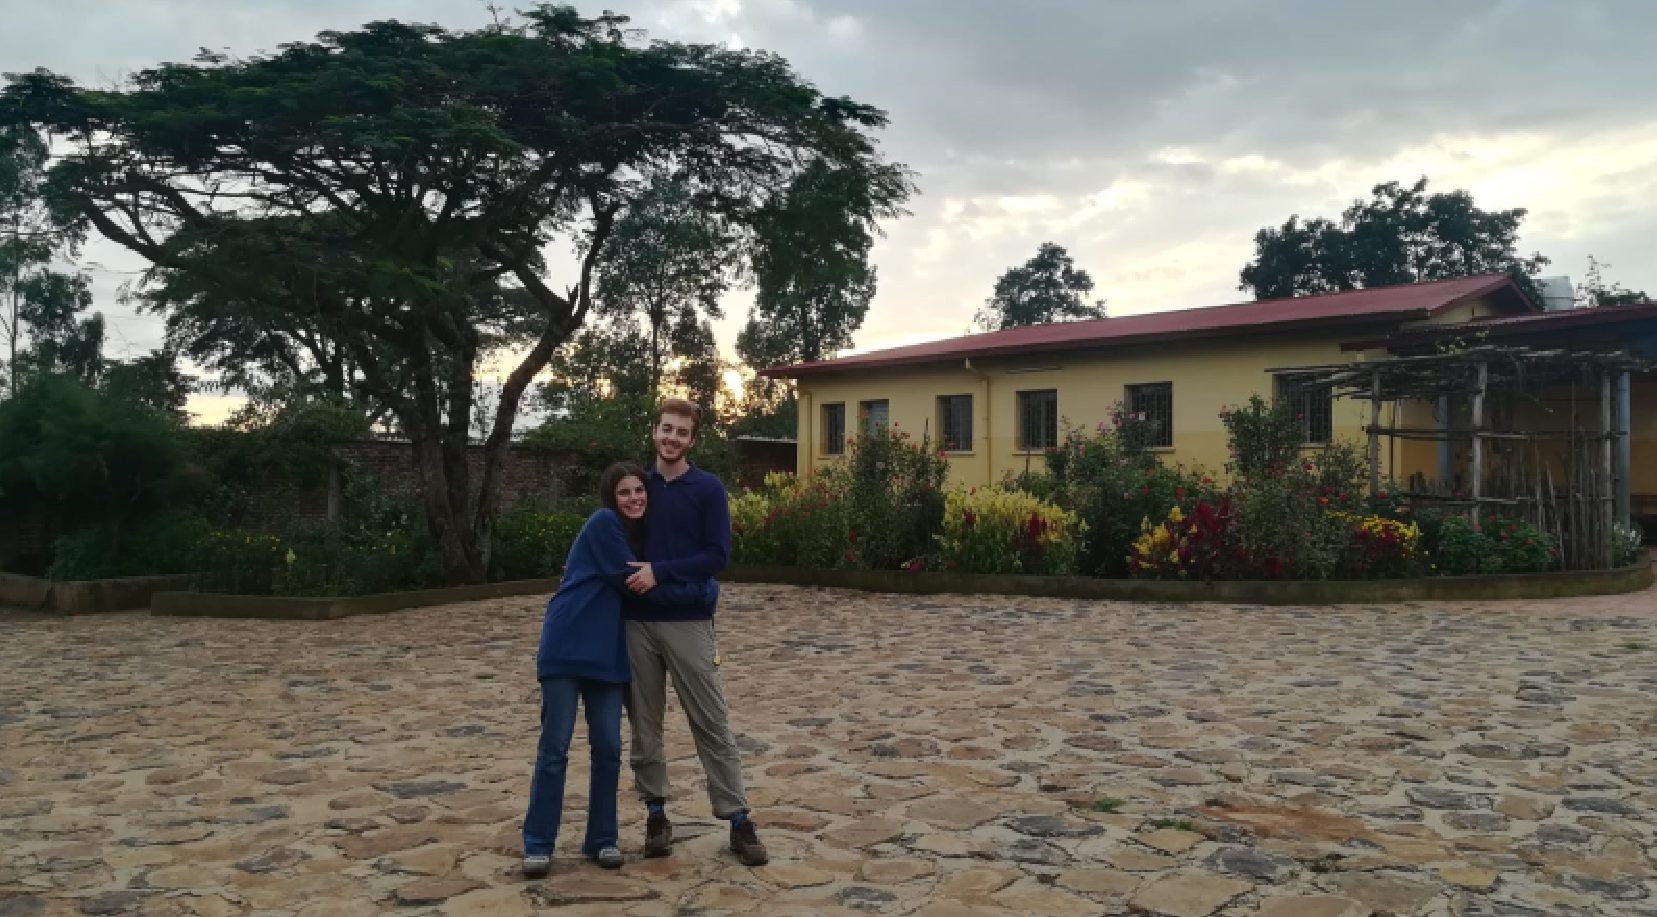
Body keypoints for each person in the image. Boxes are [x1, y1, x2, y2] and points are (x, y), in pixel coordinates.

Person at [521, 462, 717, 880]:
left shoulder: (637, 536)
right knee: (554, 748)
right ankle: (538, 843)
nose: (634, 498)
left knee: (609, 747)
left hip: (608, 652)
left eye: (639, 491)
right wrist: (704, 589)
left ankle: (602, 839)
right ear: (612, 497)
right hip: (567, 645)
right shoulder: (604, 524)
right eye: (624, 492)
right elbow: (633, 583)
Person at [621, 398, 768, 866]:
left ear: (692, 440)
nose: (672, 438)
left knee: (711, 721)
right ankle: (656, 814)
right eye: (666, 429)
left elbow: (716, 555)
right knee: (645, 726)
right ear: (654, 431)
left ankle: (738, 819)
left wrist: (660, 572)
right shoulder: (636, 488)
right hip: (637, 623)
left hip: (689, 621)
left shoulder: (708, 489)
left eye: (681, 432)